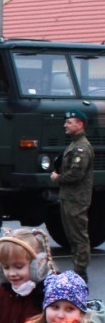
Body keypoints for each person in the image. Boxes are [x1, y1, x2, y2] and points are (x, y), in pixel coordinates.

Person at [51, 109, 94, 283]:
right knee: (72, 234)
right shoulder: (74, 144)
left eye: (69, 122)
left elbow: (77, 173)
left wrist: (58, 178)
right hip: (70, 196)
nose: (65, 125)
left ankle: (80, 271)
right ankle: (77, 268)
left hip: (77, 197)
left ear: (80, 124)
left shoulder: (81, 147)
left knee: (78, 235)